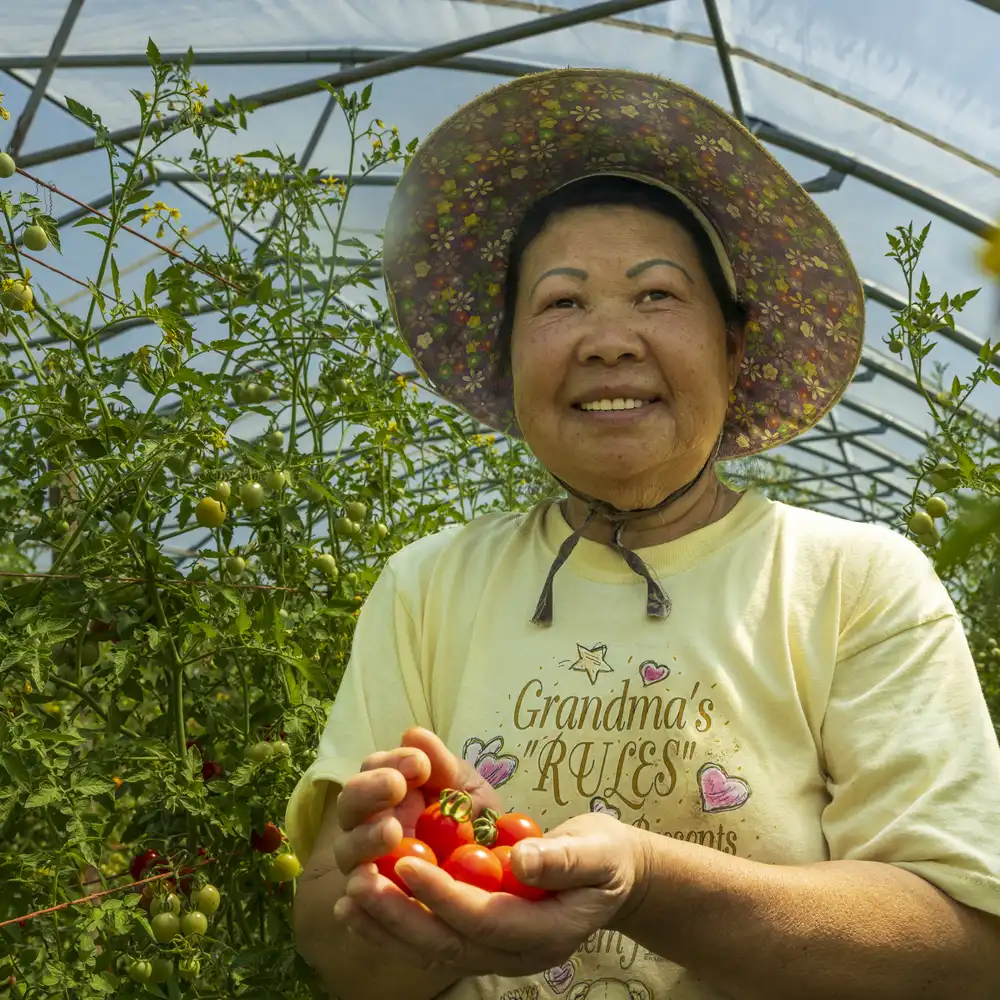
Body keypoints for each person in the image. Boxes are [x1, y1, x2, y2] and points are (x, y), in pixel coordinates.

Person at [287, 68, 1000, 1000]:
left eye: (657, 296)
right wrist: (398, 899)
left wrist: (647, 882)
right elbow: (331, 950)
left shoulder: (851, 579)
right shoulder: (428, 586)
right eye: (561, 302)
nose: (609, 339)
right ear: (509, 358)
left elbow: (963, 948)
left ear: (733, 347)